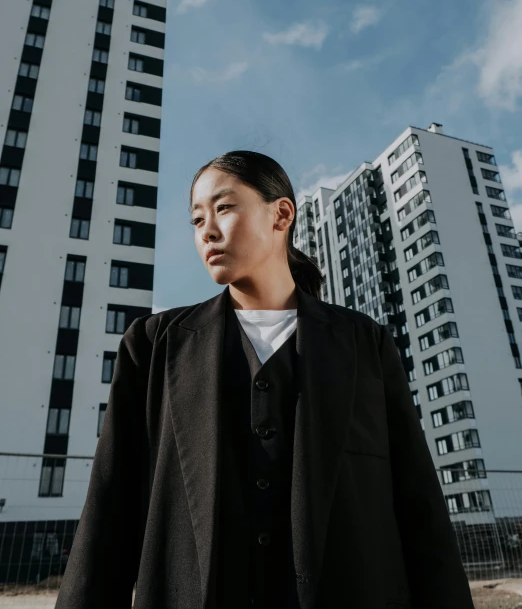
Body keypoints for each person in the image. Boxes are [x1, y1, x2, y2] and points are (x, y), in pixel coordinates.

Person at [55, 150, 475, 609]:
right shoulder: (153, 345)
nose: (207, 231)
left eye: (224, 207)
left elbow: (418, 505)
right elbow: (110, 508)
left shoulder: (363, 343)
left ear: (282, 214)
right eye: (197, 220)